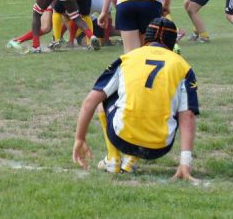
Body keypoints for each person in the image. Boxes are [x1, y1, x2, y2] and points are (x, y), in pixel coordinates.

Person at [72, 17, 199, 181]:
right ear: (172, 43)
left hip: (121, 138)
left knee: (105, 94)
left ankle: (113, 157)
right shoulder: (183, 66)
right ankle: (131, 159)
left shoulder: (128, 58)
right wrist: (185, 163)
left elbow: (90, 101)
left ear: (145, 38)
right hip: (158, 147)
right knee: (171, 101)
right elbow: (187, 115)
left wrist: (79, 139)